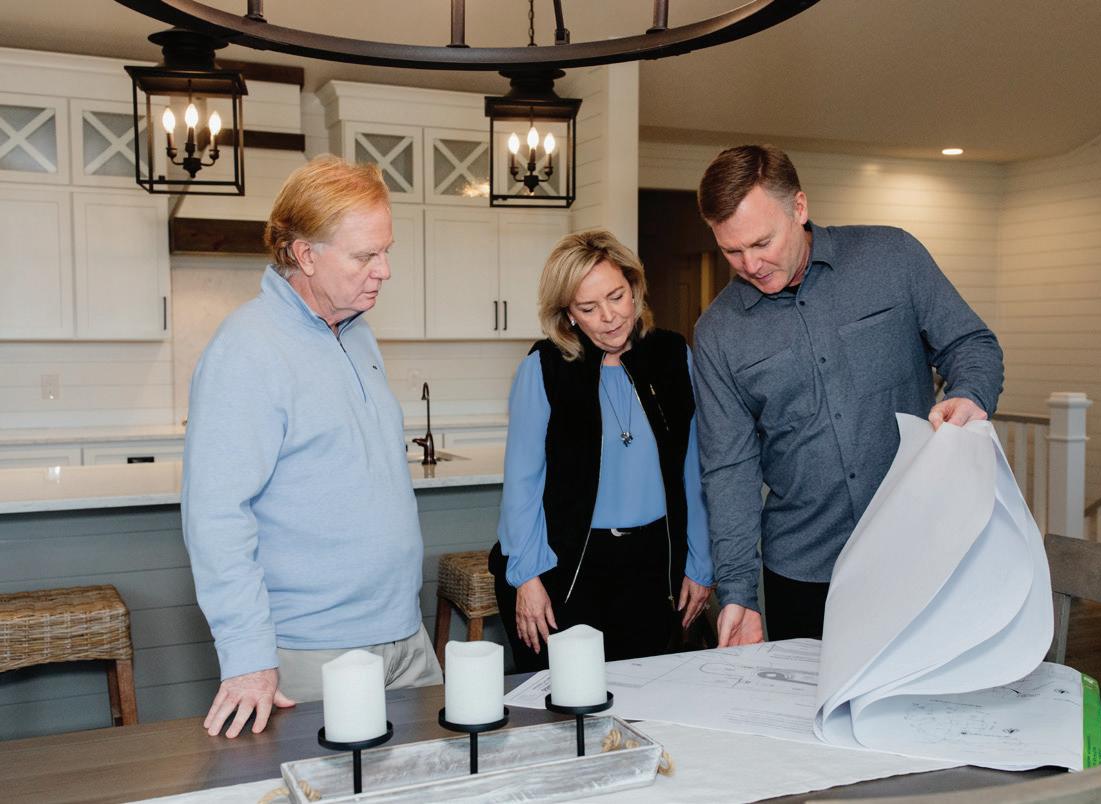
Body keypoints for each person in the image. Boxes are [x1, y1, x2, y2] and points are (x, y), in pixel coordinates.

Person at [693, 145, 1004, 645]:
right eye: (732, 251)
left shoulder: (893, 257)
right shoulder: (718, 333)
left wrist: (969, 394)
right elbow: (729, 468)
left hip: (921, 548)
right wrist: (738, 592)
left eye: (762, 242)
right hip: (804, 571)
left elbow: (971, 343)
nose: (750, 264)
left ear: (799, 207)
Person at [182, 155, 441, 739]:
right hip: (315, 652)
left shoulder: (356, 331)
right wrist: (247, 656)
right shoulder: (247, 349)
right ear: (305, 255)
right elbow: (216, 516)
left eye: (386, 251)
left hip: (405, 636)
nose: (385, 270)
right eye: (365, 256)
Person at [488, 229, 714, 672]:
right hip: (567, 569)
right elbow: (522, 484)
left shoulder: (672, 356)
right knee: (566, 700)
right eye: (588, 308)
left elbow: (694, 470)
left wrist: (700, 563)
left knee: (646, 694)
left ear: (634, 287)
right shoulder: (544, 368)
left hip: (654, 568)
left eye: (616, 297)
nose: (609, 317)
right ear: (568, 315)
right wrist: (527, 577)